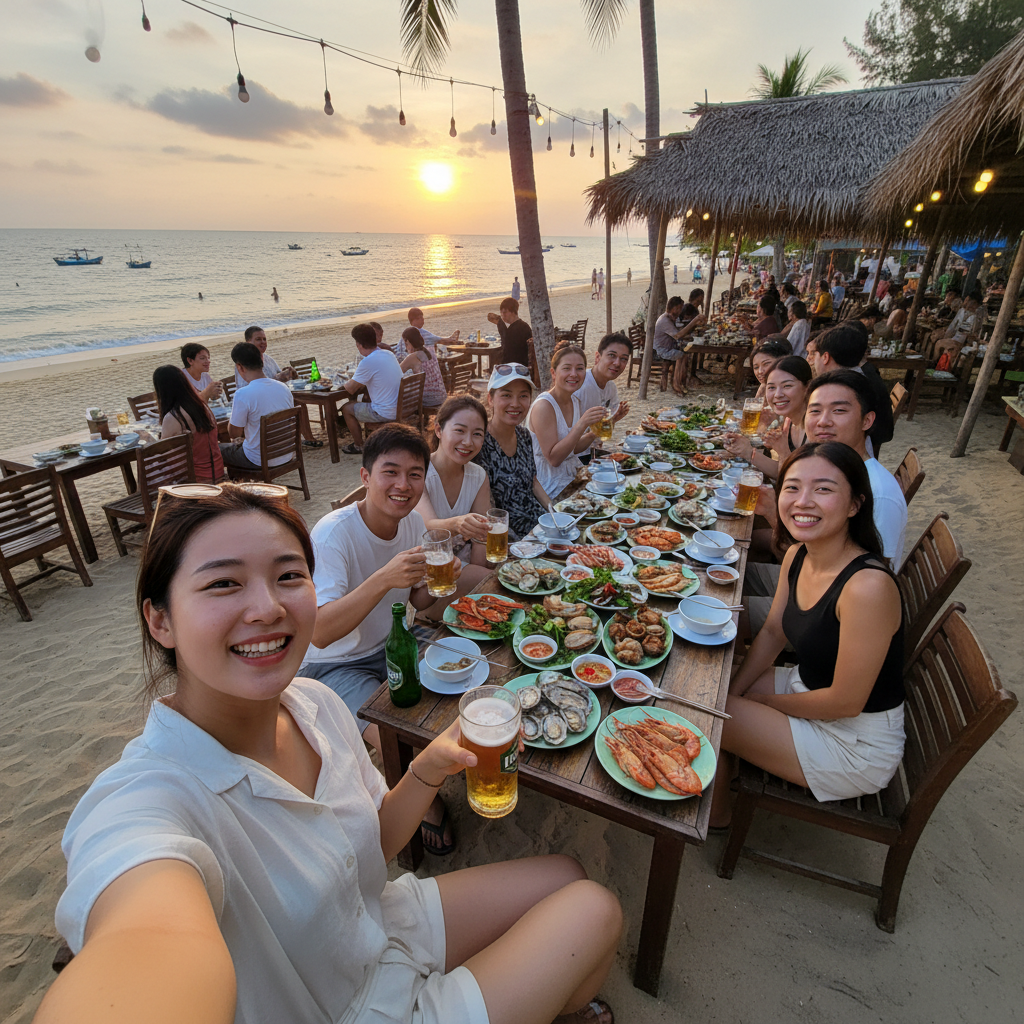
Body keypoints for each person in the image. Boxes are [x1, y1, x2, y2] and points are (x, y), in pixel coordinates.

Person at [40, 482, 622, 1024]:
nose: (267, 607)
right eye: (223, 583)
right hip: (350, 1007)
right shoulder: (149, 800)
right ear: (160, 620)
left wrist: (426, 768)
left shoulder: (313, 702)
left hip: (381, 922)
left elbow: (373, 844)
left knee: (565, 875)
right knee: (595, 908)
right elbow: (142, 943)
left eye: (289, 575)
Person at [710, 441, 905, 829]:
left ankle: (717, 817)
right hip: (810, 688)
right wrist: (739, 689)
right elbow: (773, 631)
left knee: (709, 714)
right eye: (793, 487)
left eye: (824, 489)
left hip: (854, 742)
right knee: (713, 685)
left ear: (855, 505)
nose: (803, 501)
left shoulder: (867, 588)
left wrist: (762, 702)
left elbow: (845, 702)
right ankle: (728, 769)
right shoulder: (799, 553)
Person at [742, 370, 908, 636]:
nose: (823, 422)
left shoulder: (878, 493)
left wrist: (774, 514)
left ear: (867, 420)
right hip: (808, 573)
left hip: (833, 614)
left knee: (725, 609)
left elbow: (872, 580)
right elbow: (803, 553)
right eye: (815, 410)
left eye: (839, 411)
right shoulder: (826, 467)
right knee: (723, 571)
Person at [474, 363, 551, 540]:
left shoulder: (524, 435)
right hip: (509, 538)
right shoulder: (479, 443)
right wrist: (520, 544)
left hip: (540, 526)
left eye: (523, 396)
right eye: (506, 395)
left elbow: (533, 482)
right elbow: (487, 511)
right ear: (491, 399)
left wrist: (554, 513)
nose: (515, 404)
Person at [415, 395, 493, 571]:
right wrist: (458, 524)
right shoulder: (418, 472)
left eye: (477, 434)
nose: (468, 442)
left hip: (463, 565)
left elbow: (481, 537)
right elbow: (429, 528)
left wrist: (478, 574)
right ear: (438, 430)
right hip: (428, 567)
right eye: (459, 430)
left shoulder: (478, 475)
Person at [806, 323, 894, 458]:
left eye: (814, 354)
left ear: (825, 357)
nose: (811, 360)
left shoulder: (848, 387)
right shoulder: (861, 375)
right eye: (815, 411)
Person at [528, 345, 605, 499]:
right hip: (549, 487)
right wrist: (582, 423)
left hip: (574, 477)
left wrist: (593, 434)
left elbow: (572, 448)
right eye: (567, 368)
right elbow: (554, 459)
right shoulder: (544, 406)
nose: (574, 374)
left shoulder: (575, 401)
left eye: (580, 368)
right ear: (553, 373)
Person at [725, 355, 812, 478]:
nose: (777, 394)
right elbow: (779, 471)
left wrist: (784, 453)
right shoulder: (788, 421)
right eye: (771, 387)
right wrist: (747, 451)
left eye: (787, 386)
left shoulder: (816, 429)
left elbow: (799, 480)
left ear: (807, 387)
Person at [219, 342, 295, 472]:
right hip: (286, 453)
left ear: (240, 367)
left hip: (259, 459)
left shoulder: (243, 394)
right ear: (261, 361)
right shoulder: (283, 387)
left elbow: (234, 433)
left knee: (214, 450)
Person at [152, 364, 224, 483]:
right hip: (217, 470)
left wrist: (148, 440)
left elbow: (163, 454)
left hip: (196, 478)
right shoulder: (203, 405)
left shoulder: (173, 417)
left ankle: (139, 494)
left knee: (148, 465)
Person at [340, 323, 404, 455]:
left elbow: (351, 389)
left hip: (385, 412)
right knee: (363, 400)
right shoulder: (388, 354)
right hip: (402, 407)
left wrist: (343, 383)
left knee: (347, 408)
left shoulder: (367, 362)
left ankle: (358, 445)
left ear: (359, 344)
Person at [576, 332, 631, 458]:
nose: (617, 363)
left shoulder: (611, 388)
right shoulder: (580, 387)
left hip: (594, 452)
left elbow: (603, 433)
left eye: (623, 359)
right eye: (612, 355)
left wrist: (613, 419)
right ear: (598, 357)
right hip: (575, 457)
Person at [653, 295, 706, 395]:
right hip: (661, 351)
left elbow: (678, 333)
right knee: (680, 355)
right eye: (680, 308)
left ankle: (682, 382)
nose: (681, 311)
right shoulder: (665, 320)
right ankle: (676, 384)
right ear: (675, 308)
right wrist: (694, 321)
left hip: (668, 347)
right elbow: (678, 335)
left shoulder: (670, 318)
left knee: (685, 354)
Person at [234, 326, 295, 390]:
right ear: (248, 342)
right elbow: (248, 388)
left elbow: (278, 374)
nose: (263, 342)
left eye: (264, 339)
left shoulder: (268, 359)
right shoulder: (244, 362)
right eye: (258, 339)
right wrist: (278, 379)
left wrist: (286, 372)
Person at [399, 327, 447, 408]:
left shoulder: (413, 357)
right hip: (441, 395)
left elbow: (397, 372)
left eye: (406, 344)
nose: (406, 347)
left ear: (409, 342)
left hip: (428, 400)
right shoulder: (430, 349)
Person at [486, 297, 532, 365]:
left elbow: (531, 349)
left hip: (519, 365)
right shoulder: (502, 325)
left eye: (505, 312)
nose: (502, 314)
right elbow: (490, 316)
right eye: (501, 312)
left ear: (513, 312)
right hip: (505, 364)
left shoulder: (524, 327)